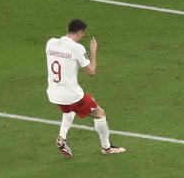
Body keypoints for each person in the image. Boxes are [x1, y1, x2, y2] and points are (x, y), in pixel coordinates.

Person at [45, 19, 126, 157]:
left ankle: (62, 137)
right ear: (80, 32)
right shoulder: (77, 48)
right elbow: (91, 72)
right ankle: (106, 148)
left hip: (53, 92)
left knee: (69, 109)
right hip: (71, 95)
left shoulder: (51, 43)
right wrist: (93, 52)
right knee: (100, 113)